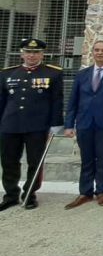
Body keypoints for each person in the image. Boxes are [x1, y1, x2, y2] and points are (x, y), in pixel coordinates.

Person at [0, 38, 63, 211]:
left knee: (35, 161)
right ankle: (11, 195)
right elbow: (2, 100)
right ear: (22, 54)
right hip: (10, 124)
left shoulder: (53, 73)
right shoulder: (7, 73)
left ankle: (29, 194)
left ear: (42, 54)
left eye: (36, 52)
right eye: (28, 52)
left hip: (37, 125)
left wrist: (56, 123)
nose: (32, 55)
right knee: (9, 161)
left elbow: (57, 100)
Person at [64, 40, 103, 209]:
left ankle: (101, 191)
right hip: (84, 123)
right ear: (92, 52)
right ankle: (85, 192)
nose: (100, 53)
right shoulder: (82, 74)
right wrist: (69, 124)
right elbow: (73, 101)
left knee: (102, 158)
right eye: (97, 50)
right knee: (86, 159)